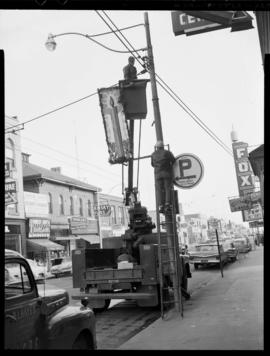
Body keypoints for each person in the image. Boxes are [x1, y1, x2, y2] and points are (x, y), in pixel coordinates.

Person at [151, 141, 175, 213]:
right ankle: (167, 204)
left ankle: (161, 205)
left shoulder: (153, 154)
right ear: (163, 146)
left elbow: (152, 164)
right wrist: (169, 165)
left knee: (159, 190)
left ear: (157, 147)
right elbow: (173, 160)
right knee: (167, 188)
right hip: (166, 173)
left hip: (157, 174)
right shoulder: (167, 152)